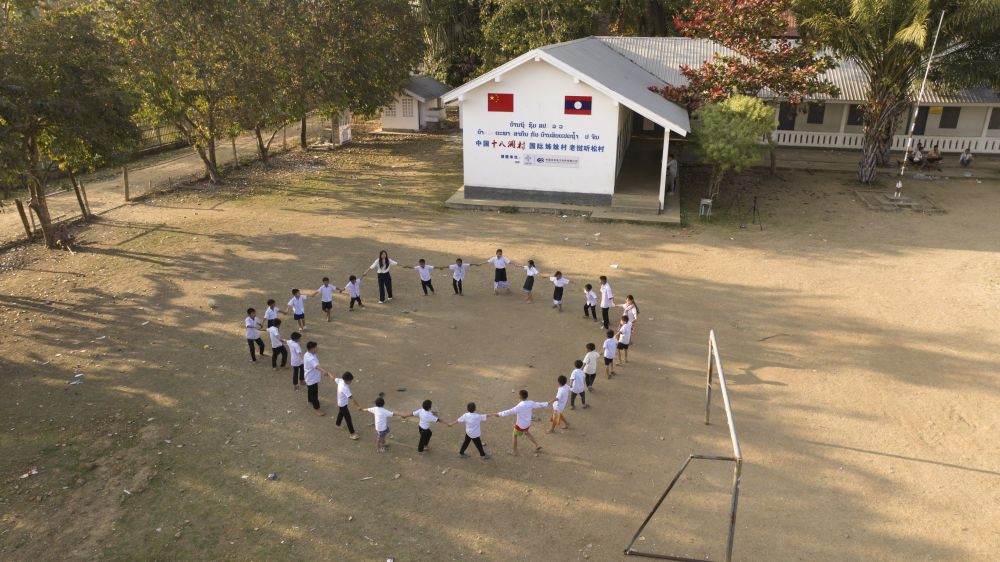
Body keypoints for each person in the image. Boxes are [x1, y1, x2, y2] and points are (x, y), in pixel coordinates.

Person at [496, 389, 548, 456]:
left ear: (520, 397)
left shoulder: (520, 406)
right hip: (527, 424)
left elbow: (510, 411)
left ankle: (514, 452)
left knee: (514, 435)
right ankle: (537, 445)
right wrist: (548, 403)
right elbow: (539, 404)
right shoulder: (530, 402)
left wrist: (499, 414)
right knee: (526, 433)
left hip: (520, 425)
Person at [304, 341, 336, 416]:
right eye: (316, 348)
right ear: (312, 349)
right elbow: (316, 366)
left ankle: (310, 401)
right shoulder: (310, 358)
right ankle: (317, 409)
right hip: (311, 379)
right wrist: (324, 371)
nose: (317, 349)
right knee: (314, 394)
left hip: (311, 377)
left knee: (310, 391)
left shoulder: (309, 353)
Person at [334, 372, 361, 439]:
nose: (351, 381)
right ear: (346, 380)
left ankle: (337, 424)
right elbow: (351, 398)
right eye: (350, 380)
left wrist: (328, 374)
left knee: (341, 413)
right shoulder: (345, 388)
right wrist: (358, 406)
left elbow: (333, 378)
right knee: (348, 418)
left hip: (341, 403)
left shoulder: (340, 381)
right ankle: (352, 433)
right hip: (343, 404)